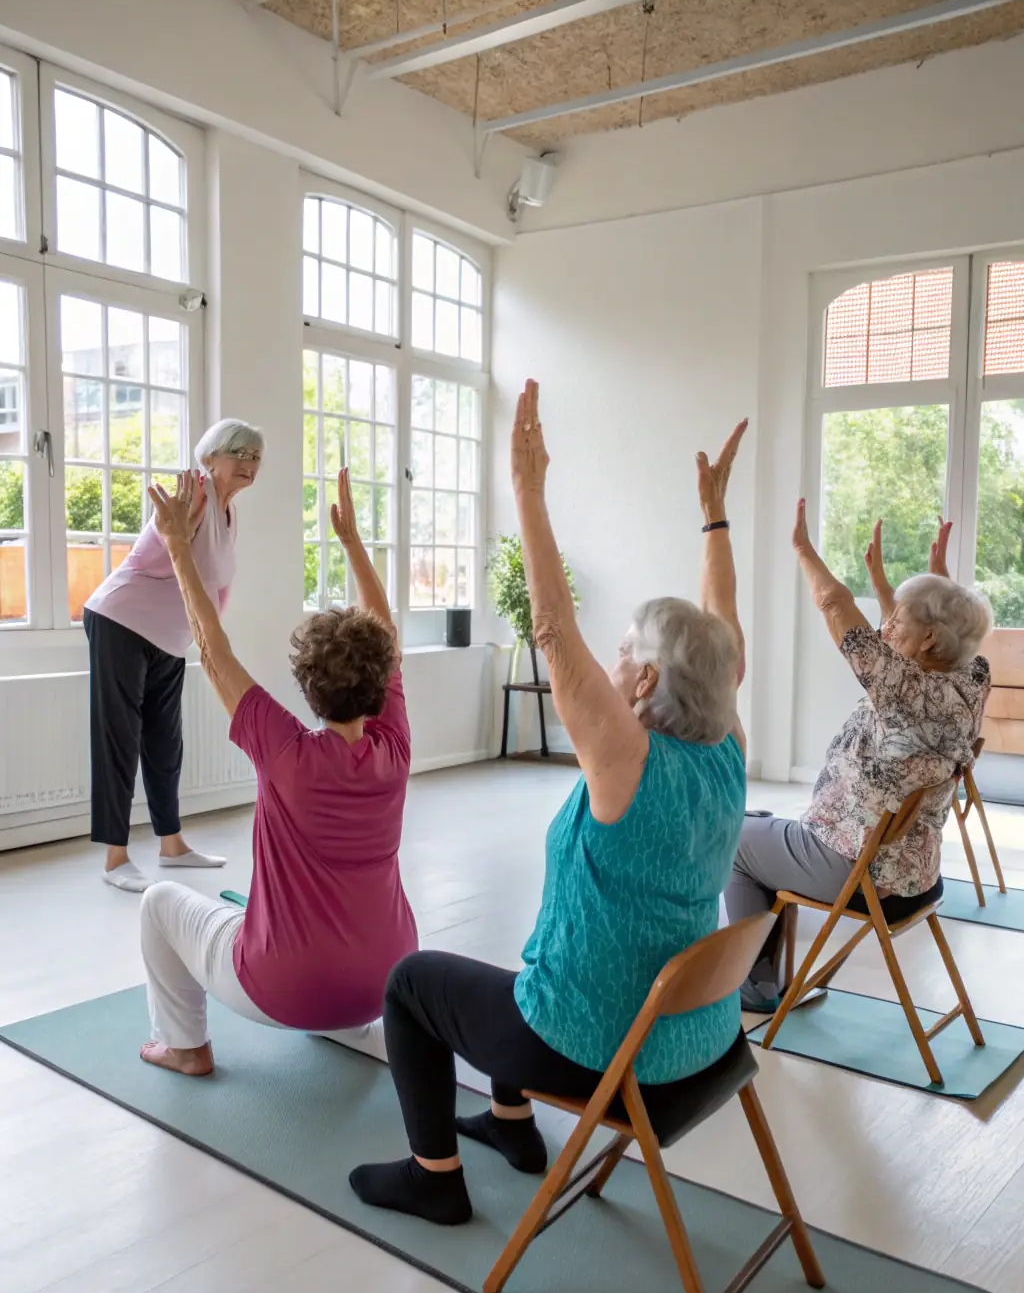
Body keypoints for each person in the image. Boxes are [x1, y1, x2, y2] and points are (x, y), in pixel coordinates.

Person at [349, 381, 749, 1227]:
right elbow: (726, 633)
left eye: (625, 650)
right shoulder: (727, 755)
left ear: (643, 680)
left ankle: (434, 1176)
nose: (610, 658)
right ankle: (509, 1124)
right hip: (700, 1040)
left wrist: (527, 493)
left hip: (603, 1050)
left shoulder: (628, 762)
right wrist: (714, 522)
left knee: (414, 983)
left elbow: (555, 635)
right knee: (533, 956)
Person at [137, 468, 417, 1076]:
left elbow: (211, 651)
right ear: (378, 688)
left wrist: (179, 548)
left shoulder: (285, 751)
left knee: (159, 901)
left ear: (309, 690)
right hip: (386, 984)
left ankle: (185, 1046)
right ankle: (345, 1016)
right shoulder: (394, 747)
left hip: (283, 991)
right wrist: (351, 545)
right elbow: (388, 639)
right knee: (258, 915)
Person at [727, 510, 992, 1013]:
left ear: (931, 638)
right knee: (759, 822)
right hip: (917, 877)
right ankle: (770, 978)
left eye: (895, 619)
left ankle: (755, 986)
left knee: (734, 839)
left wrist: (803, 549)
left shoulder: (901, 689)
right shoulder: (972, 677)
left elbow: (834, 604)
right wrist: (927, 586)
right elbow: (927, 640)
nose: (885, 626)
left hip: (857, 871)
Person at [84, 419, 265, 893]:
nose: (250, 465)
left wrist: (208, 639)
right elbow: (146, 560)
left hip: (170, 635)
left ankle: (172, 846)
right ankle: (115, 858)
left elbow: (215, 585)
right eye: (240, 454)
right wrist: (173, 534)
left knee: (166, 741)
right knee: (119, 737)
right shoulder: (195, 495)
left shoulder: (229, 512)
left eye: (256, 458)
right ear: (210, 457)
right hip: (121, 620)